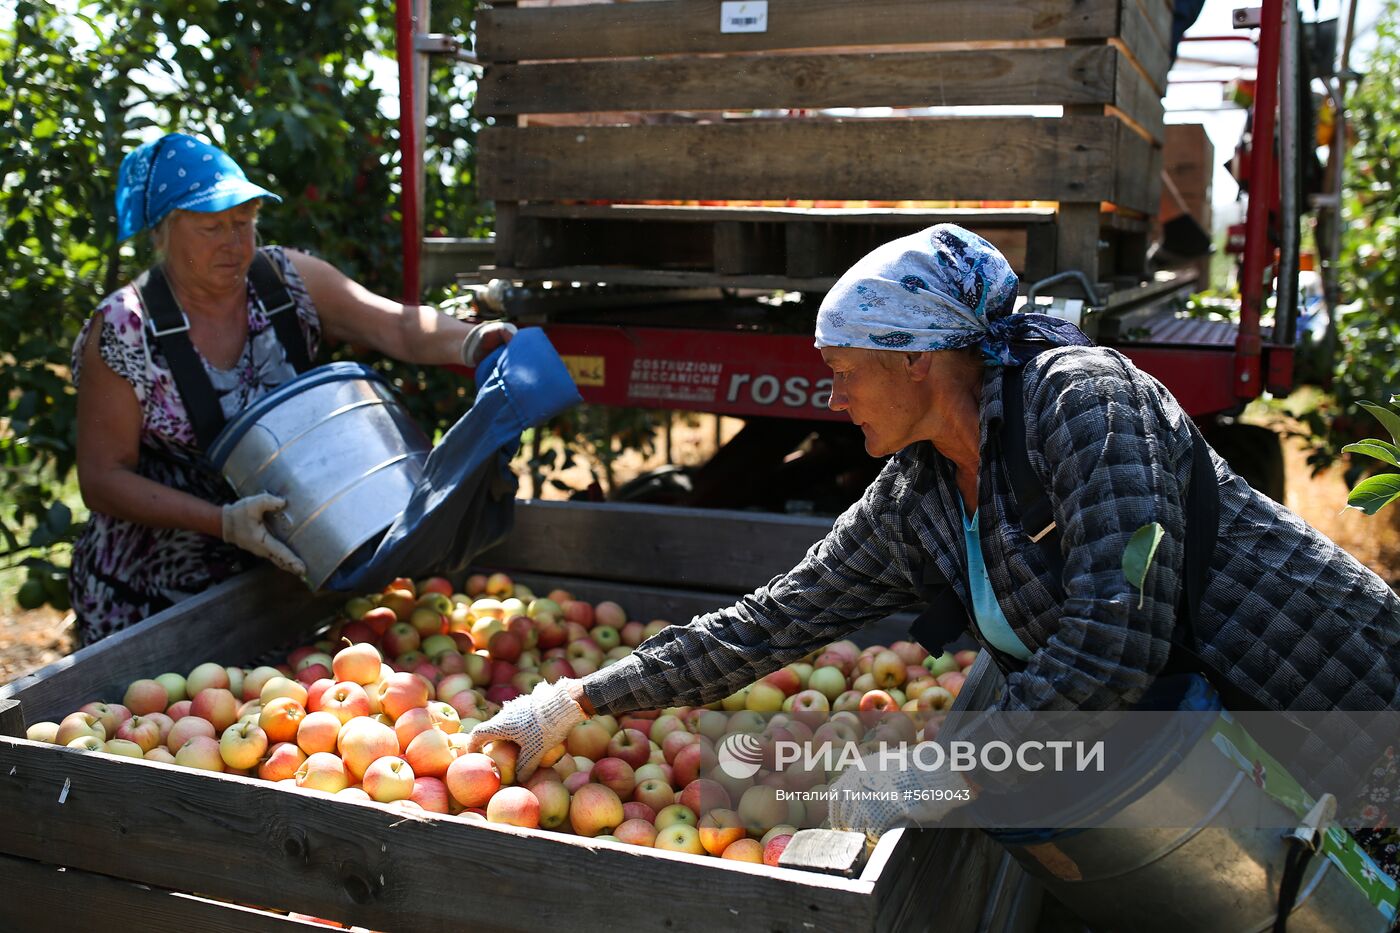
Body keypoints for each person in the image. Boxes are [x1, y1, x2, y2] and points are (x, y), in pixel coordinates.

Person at [468, 224, 1399, 881]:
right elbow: (773, 621)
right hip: (1235, 775)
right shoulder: (918, 494)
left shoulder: (1081, 402)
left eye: (843, 372)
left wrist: (942, 767)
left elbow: (1118, 638)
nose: (832, 398)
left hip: (1343, 707)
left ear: (916, 357)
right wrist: (574, 700)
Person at [70, 132, 514, 645]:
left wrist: (472, 341)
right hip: (152, 593)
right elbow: (102, 478)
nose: (234, 243)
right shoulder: (125, 327)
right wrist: (224, 522)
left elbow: (391, 325)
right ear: (164, 234)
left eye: (244, 222)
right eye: (212, 226)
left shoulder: (284, 280)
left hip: (286, 575)